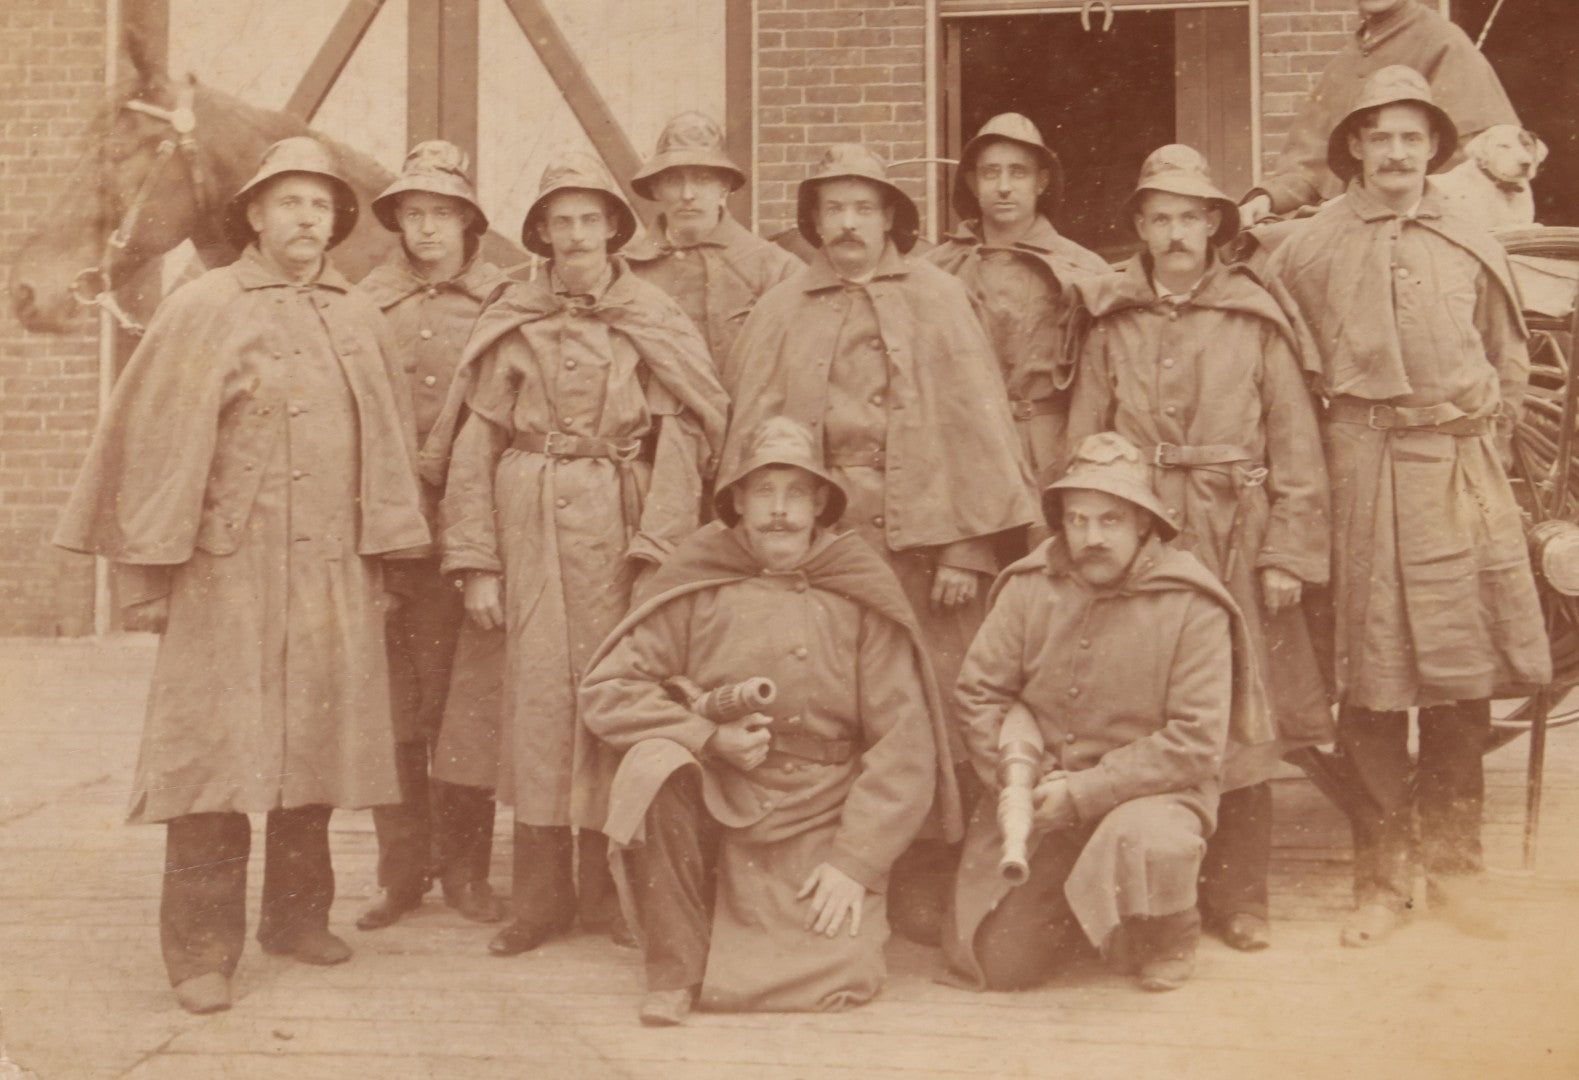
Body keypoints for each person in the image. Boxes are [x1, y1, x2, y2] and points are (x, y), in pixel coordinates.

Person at [53, 136, 430, 1014]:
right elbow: (150, 442)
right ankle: (200, 948)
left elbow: (389, 449)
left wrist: (386, 562)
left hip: (333, 570)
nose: (307, 218)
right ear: (253, 213)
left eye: (320, 205)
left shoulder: (357, 314)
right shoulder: (204, 306)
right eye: (288, 201)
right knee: (213, 757)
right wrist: (150, 577)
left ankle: (296, 921)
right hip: (229, 572)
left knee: (315, 744)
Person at [720, 143, 1040, 941]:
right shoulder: (783, 305)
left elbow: (978, 425)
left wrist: (967, 548)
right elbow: (752, 434)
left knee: (928, 703)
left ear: (891, 216)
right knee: (831, 699)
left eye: (864, 207)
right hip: (818, 545)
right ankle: (845, 864)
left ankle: (932, 872)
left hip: (925, 549)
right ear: (813, 221)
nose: (848, 223)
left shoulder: (937, 296)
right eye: (832, 208)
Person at [1266, 66, 1550, 947]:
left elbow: (1509, 362)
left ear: (1433, 145)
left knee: (1461, 679)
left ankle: (1455, 869)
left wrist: (1474, 449)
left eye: (1410, 136)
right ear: (1352, 145)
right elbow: (1287, 374)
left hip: (1459, 473)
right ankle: (1380, 878)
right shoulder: (1307, 248)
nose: (1394, 152)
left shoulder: (1470, 236)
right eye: (1376, 136)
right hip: (1360, 470)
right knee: (1372, 677)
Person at [423, 151, 730, 958]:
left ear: (614, 229)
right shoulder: (511, 315)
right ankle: (539, 900)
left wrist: (655, 549)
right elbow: (475, 441)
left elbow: (682, 438)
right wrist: (477, 561)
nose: (575, 235)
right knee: (532, 711)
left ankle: (606, 895)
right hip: (525, 526)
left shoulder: (652, 316)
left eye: (590, 219)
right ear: (541, 234)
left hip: (617, 519)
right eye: (560, 221)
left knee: (612, 701)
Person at [578, 416, 961, 1025]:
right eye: (762, 492)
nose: (779, 511)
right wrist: (706, 736)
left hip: (819, 809)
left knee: (842, 977)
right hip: (720, 800)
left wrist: (854, 862)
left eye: (795, 493)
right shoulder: (698, 579)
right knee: (655, 764)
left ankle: (784, 921)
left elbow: (903, 744)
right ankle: (674, 972)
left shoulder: (856, 589)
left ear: (819, 504)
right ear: (735, 502)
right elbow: (607, 689)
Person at [1065, 144, 1331, 952]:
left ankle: (1239, 896)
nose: (1176, 233)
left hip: (1235, 535)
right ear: (1139, 229)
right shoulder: (1112, 322)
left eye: (1190, 217)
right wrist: (1085, 539)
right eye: (1159, 218)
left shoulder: (1253, 315)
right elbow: (1083, 436)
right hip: (1139, 532)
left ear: (1216, 225)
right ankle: (1152, 898)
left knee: (1243, 707)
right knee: (1143, 699)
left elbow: (1295, 441)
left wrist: (1287, 549)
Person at [945, 433, 1269, 993]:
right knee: (1001, 965)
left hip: (1150, 797)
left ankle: (1169, 930)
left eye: (1111, 520)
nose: (1091, 538)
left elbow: (1195, 741)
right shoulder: (1028, 588)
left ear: (1144, 523)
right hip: (1045, 797)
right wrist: (1019, 778)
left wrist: (1086, 791)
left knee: (1153, 838)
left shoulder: (1193, 603)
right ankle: (1088, 910)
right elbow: (979, 693)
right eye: (1078, 520)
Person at [353, 141, 510, 931]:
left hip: (470, 533)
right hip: (387, 536)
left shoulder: (501, 302)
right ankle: (400, 874)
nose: (426, 230)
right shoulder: (364, 303)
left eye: (442, 214)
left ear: (468, 223)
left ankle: (467, 873)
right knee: (394, 713)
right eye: (413, 214)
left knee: (465, 707)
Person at [926, 113, 1110, 485]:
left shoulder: (1085, 270)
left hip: (1048, 451)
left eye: (1018, 172)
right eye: (991, 173)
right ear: (973, 182)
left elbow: (1101, 384)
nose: (1004, 186)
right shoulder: (935, 271)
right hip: (962, 451)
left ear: (1041, 181)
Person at [1241, 0, 1517, 227]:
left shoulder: (1445, 43)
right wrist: (1268, 198)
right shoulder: (1344, 62)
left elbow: (1473, 167)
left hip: (1421, 226)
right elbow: (1309, 165)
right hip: (1344, 223)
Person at [625, 111, 802, 376]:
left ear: (724, 187)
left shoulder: (775, 268)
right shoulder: (626, 270)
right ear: (656, 189)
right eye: (674, 181)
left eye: (702, 180)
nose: (687, 194)